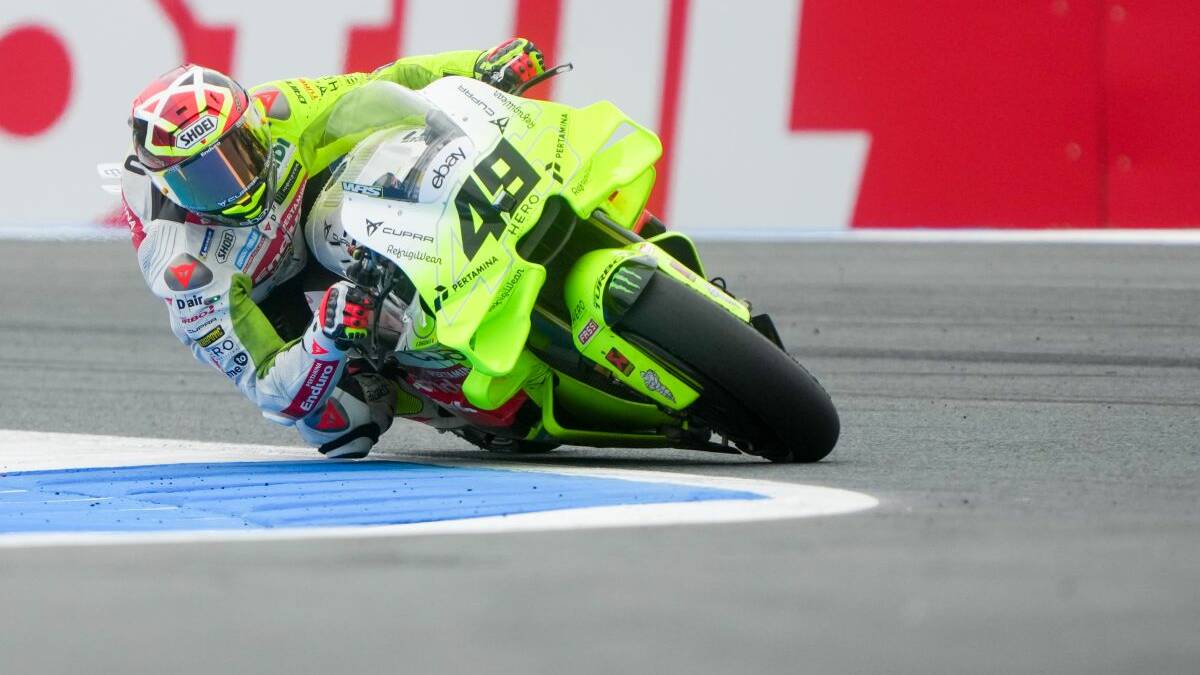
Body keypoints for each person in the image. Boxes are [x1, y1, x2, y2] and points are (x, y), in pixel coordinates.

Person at [121, 39, 545, 459]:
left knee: (357, 198)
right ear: (169, 189)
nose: (236, 184)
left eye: (240, 152)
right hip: (265, 298)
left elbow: (383, 85)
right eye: (205, 180)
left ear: (253, 123)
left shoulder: (280, 110)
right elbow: (271, 389)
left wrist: (478, 66)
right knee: (344, 424)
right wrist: (326, 336)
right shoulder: (184, 269)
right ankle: (440, 400)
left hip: (315, 205)